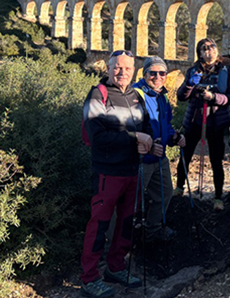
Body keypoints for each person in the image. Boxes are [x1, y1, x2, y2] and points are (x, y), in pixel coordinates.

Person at [80, 50, 153, 298]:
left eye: (127, 68)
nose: (122, 72)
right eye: (117, 67)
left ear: (134, 71)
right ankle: (89, 278)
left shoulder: (136, 96)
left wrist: (154, 142)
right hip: (107, 172)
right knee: (99, 224)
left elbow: (146, 128)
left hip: (133, 170)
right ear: (108, 68)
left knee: (126, 222)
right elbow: (98, 137)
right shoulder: (97, 95)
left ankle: (116, 267)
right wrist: (134, 138)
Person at [175, 38, 230, 211]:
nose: (208, 51)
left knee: (216, 160)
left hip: (216, 122)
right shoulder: (193, 71)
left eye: (212, 47)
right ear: (199, 53)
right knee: (185, 155)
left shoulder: (227, 72)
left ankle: (218, 196)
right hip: (194, 120)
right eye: (204, 49)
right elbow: (181, 96)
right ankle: (179, 188)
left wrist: (213, 98)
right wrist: (190, 85)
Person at [133, 56, 187, 242]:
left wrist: (174, 137)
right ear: (144, 73)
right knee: (132, 201)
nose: (158, 77)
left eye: (162, 73)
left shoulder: (162, 96)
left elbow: (166, 123)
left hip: (160, 157)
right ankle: (123, 239)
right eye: (152, 73)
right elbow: (130, 129)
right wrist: (148, 147)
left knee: (165, 194)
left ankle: (152, 229)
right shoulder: (135, 95)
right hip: (140, 160)